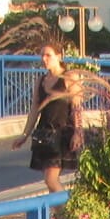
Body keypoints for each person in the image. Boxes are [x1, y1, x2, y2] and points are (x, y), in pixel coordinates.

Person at [11, 43, 81, 194]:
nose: (44, 59)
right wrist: (24, 135)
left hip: (62, 134)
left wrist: (77, 132)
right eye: (42, 55)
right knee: (50, 182)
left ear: (59, 57)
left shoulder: (69, 77)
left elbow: (77, 108)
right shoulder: (41, 81)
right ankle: (59, 215)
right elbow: (35, 110)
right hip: (45, 133)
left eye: (48, 55)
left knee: (50, 179)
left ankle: (66, 214)